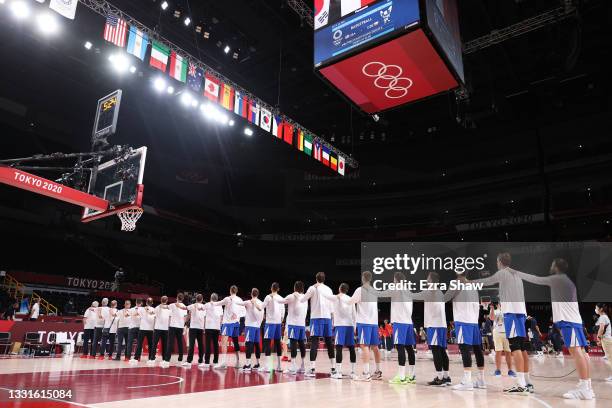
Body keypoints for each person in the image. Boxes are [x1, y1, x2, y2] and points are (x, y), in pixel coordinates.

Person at [513, 259, 594, 399]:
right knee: (581, 352)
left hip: (568, 321)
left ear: (556, 267)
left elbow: (536, 279)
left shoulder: (558, 279)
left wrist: (517, 273)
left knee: (577, 352)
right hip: (574, 320)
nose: (550, 267)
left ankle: (585, 388)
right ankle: (586, 386)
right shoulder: (567, 281)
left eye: (552, 265)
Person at [471, 252, 532, 395]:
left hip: (512, 314)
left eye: (497, 262)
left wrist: (468, 282)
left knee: (516, 347)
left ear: (499, 262)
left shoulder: (503, 272)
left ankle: (521, 384)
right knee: (522, 348)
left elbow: (487, 281)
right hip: (520, 313)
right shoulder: (516, 275)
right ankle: (527, 382)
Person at [444, 272, 486, 391]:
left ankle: (467, 381)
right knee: (478, 349)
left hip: (463, 320)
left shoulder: (456, 283)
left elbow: (445, 298)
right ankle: (481, 380)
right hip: (474, 321)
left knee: (464, 349)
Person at [341, 271, 382, 381]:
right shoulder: (374, 290)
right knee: (375, 347)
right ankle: (378, 371)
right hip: (374, 322)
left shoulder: (360, 290)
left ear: (363, 278)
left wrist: (341, 297)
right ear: (371, 279)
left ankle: (366, 373)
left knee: (364, 346)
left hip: (364, 322)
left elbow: (350, 302)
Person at [382, 272, 417, 385]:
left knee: (400, 348)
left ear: (396, 280)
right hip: (408, 322)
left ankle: (401, 376)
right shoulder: (408, 290)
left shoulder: (396, 289)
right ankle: (411, 376)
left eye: (393, 279)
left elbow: (381, 294)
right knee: (409, 348)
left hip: (399, 323)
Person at [300, 272, 336, 377]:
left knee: (314, 342)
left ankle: (312, 369)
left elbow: (302, 300)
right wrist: (333, 319)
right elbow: (332, 305)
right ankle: (333, 368)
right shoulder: (329, 289)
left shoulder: (312, 288)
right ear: (324, 279)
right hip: (327, 318)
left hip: (316, 318)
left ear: (316, 279)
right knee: (329, 342)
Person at [321, 282, 357, 379]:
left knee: (339, 348)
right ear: (347, 290)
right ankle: (353, 372)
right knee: (352, 348)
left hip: (340, 326)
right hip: (350, 326)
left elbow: (325, 295)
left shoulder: (336, 297)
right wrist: (354, 327)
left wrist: (319, 286)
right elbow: (354, 315)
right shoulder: (350, 299)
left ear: (339, 289)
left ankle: (338, 372)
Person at [276, 281, 308, 375]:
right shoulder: (305, 297)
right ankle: (303, 366)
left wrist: (273, 295)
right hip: (302, 324)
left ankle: (293, 366)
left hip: (293, 324)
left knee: (293, 344)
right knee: (301, 344)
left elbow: (280, 301)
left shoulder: (291, 296)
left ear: (295, 288)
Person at [258, 282, 285, 372]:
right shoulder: (281, 298)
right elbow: (283, 313)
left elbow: (261, 307)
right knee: (278, 344)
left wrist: (254, 303)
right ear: (278, 289)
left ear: (271, 288)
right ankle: (279, 366)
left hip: (270, 323)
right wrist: (280, 321)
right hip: (278, 324)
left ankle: (267, 366)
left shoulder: (268, 297)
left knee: (267, 343)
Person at [234, 288, 264, 372]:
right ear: (258, 294)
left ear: (251, 294)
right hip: (257, 327)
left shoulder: (248, 302)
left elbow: (238, 303)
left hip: (250, 327)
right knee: (257, 345)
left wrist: (232, 298)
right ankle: (257, 364)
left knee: (249, 345)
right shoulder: (261, 303)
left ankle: (248, 364)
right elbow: (262, 315)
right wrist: (259, 324)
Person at [213, 285, 242, 369]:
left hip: (227, 323)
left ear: (230, 291)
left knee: (224, 342)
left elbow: (217, 303)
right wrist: (237, 316)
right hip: (236, 323)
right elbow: (242, 312)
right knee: (236, 341)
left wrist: (211, 302)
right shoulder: (239, 299)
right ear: (236, 291)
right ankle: (238, 362)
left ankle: (223, 363)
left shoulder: (227, 299)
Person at [489, 302, 515, 377]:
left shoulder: (508, 311)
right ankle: (498, 370)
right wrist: (492, 308)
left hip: (507, 333)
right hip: (497, 333)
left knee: (508, 352)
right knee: (498, 352)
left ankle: (510, 370)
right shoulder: (495, 311)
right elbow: (492, 318)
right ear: (498, 304)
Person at [131, 297, 156, 364]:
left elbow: (136, 315)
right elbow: (155, 319)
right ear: (152, 303)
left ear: (146, 302)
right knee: (151, 344)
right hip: (150, 329)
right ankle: (151, 358)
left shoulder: (141, 309)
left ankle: (136, 358)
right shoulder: (154, 310)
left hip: (142, 328)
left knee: (139, 343)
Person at [184, 293, 206, 367]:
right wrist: (204, 328)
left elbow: (185, 308)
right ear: (202, 299)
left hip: (193, 328)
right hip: (200, 328)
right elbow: (205, 318)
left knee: (191, 345)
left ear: (196, 299)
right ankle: (201, 360)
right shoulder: (204, 307)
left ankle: (189, 361)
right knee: (200, 345)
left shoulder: (192, 306)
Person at [203, 293, 224, 367]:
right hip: (217, 327)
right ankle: (215, 361)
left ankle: (207, 362)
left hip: (209, 327)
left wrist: (204, 327)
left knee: (208, 344)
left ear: (210, 298)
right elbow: (221, 318)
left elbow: (204, 316)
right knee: (215, 345)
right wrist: (220, 326)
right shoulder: (220, 306)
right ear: (217, 299)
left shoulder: (207, 304)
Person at [167, 293, 188, 365]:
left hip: (172, 326)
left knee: (170, 342)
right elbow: (185, 317)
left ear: (177, 298)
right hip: (180, 326)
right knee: (180, 342)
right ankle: (180, 358)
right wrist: (183, 324)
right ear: (182, 299)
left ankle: (167, 359)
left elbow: (165, 307)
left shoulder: (172, 305)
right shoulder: (184, 307)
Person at [152, 296, 171, 368]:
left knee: (154, 343)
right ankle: (164, 359)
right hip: (165, 328)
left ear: (161, 300)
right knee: (165, 344)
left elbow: (154, 316)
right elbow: (170, 318)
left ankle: (152, 358)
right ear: (167, 300)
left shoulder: (157, 307)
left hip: (158, 328)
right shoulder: (169, 308)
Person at [594, 303, 612, 382]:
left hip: (606, 340)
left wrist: (598, 338)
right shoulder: (605, 316)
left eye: (596, 308)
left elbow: (601, 329)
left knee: (610, 358)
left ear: (600, 309)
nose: (595, 309)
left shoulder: (602, 317)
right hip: (607, 339)